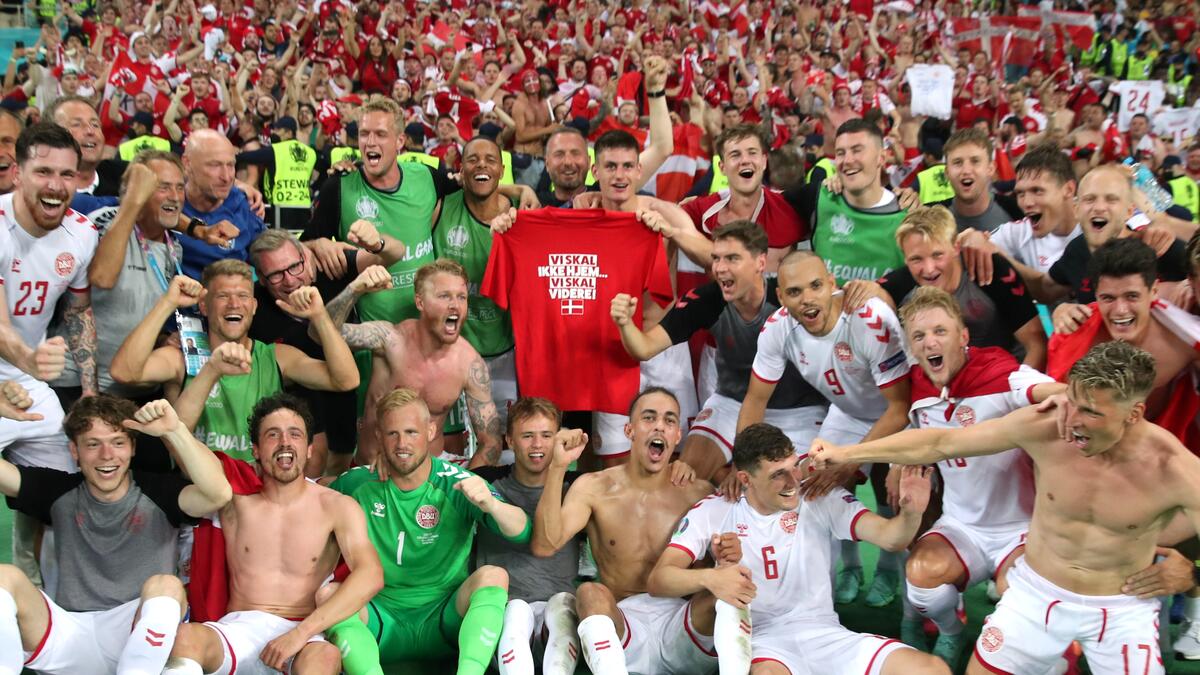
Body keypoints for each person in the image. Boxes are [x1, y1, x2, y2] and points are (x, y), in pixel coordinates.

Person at [809, 339, 1200, 675]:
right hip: (1035, 594)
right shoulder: (1047, 426)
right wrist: (848, 453)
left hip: (1121, 611)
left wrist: (1193, 573)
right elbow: (940, 443)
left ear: (1134, 414)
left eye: (1092, 412)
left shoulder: (1175, 469)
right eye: (1072, 402)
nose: (1073, 420)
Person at [649, 422, 948, 675]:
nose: (793, 480)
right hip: (766, 644)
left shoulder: (818, 496)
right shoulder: (714, 510)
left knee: (932, 670)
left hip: (827, 634)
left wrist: (911, 513)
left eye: (793, 467)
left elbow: (891, 538)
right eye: (777, 474)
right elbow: (659, 579)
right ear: (745, 479)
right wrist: (710, 578)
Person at [0, 395, 231, 675]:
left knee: (167, 586)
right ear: (74, 450)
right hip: (67, 632)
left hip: (137, 631)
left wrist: (175, 430)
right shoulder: (57, 490)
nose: (107, 455)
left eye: (118, 442)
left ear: (133, 447)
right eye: (93, 444)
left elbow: (218, 494)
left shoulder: (159, 492)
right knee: (4, 576)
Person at [895, 286, 1063, 666]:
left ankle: (1022, 650)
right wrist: (895, 467)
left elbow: (1043, 388)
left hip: (1020, 529)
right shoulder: (917, 385)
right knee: (919, 577)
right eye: (919, 336)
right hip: (962, 526)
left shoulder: (1000, 372)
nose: (929, 342)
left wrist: (1067, 396)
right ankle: (952, 634)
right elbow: (913, 433)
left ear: (963, 336)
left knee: (1017, 593)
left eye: (940, 331)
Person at [163, 393, 384, 675]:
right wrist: (175, 428)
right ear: (256, 449)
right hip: (239, 629)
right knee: (184, 638)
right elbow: (191, 459)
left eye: (295, 434)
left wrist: (300, 634)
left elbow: (371, 575)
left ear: (309, 449)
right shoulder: (234, 498)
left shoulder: (336, 506)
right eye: (272, 435)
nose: (285, 442)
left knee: (325, 657)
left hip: (303, 633)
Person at [740, 250, 913, 607]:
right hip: (848, 413)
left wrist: (851, 461)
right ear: (781, 297)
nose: (807, 299)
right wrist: (741, 465)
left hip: (900, 412)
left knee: (891, 492)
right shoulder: (777, 328)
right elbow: (755, 399)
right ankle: (850, 567)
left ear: (832, 283)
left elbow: (900, 407)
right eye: (795, 292)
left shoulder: (869, 319)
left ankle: (888, 570)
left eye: (816, 286)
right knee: (819, 486)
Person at [327, 388, 529, 675]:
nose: (402, 444)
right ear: (379, 436)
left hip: (445, 621)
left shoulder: (456, 482)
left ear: (431, 431)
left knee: (494, 576)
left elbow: (522, 530)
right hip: (381, 621)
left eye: (411, 432)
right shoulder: (357, 483)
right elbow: (311, 497)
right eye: (392, 434)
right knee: (330, 595)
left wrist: (491, 505)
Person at [610, 221, 827, 481]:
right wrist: (624, 323)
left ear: (760, 262)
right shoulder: (708, 300)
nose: (720, 268)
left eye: (732, 258)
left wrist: (866, 290)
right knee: (683, 478)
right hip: (732, 403)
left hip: (800, 409)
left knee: (804, 487)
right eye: (716, 258)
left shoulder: (788, 298)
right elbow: (644, 348)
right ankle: (720, 484)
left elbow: (838, 301)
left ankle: (728, 483)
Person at [530, 388, 718, 675]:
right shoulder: (594, 487)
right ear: (629, 430)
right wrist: (558, 467)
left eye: (669, 420)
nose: (659, 426)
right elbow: (544, 545)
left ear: (678, 435)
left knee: (725, 591)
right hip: (622, 625)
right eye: (649, 418)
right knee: (589, 592)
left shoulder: (699, 492)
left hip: (683, 624)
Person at [110, 261, 359, 461]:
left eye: (243, 296)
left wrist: (319, 316)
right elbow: (123, 372)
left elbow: (346, 380)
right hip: (202, 493)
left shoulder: (276, 357)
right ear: (204, 306)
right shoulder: (181, 357)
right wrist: (168, 303)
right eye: (223, 296)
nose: (234, 304)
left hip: (260, 491)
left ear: (254, 306)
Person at [248, 228, 403, 475]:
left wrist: (377, 243)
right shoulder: (253, 306)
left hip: (340, 397)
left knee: (338, 473)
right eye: (276, 275)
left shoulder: (331, 266)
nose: (290, 280)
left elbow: (396, 252)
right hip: (289, 412)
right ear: (262, 279)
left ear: (305, 257)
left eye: (295, 267)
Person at [320, 259, 503, 467]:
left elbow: (491, 443)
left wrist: (468, 485)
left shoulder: (469, 364)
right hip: (371, 472)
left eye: (461, 297)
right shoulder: (389, 339)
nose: (455, 305)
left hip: (431, 476)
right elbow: (320, 332)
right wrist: (354, 290)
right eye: (444, 296)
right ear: (420, 302)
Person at [0, 122, 98, 474]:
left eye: (67, 174)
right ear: (17, 174)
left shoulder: (82, 234)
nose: (56, 185)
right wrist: (29, 358)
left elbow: (79, 312)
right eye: (43, 172)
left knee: (65, 481)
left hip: (26, 381)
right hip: (23, 365)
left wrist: (89, 392)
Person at [847, 206, 1047, 369]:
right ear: (905, 258)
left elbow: (1036, 344)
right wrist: (863, 291)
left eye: (937, 255)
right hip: (945, 389)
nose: (929, 269)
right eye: (916, 259)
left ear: (956, 247)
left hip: (1007, 378)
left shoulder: (988, 268)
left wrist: (1018, 394)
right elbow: (867, 293)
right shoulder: (899, 284)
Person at [472, 397, 582, 675]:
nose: (537, 445)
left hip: (559, 610)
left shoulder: (576, 488)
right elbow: (433, 480)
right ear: (509, 440)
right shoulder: (485, 481)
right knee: (517, 611)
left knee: (562, 607)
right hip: (501, 610)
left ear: (558, 438)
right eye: (527, 436)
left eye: (546, 435)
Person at [432, 136, 520, 428]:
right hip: (450, 350)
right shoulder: (440, 208)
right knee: (451, 441)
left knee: (504, 439)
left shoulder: (522, 213)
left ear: (502, 170)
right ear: (461, 169)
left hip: (507, 352)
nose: (481, 165)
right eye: (473, 159)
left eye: (490, 160)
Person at [679, 125, 808, 273]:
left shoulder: (790, 207)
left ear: (764, 161)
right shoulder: (704, 209)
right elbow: (665, 217)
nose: (745, 160)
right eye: (735, 155)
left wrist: (831, 183)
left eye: (752, 153)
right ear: (722, 168)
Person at [179, 129, 268, 279]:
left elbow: (271, 255)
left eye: (231, 165)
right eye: (215, 165)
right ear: (187, 163)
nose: (226, 177)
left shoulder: (243, 204)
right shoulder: (168, 200)